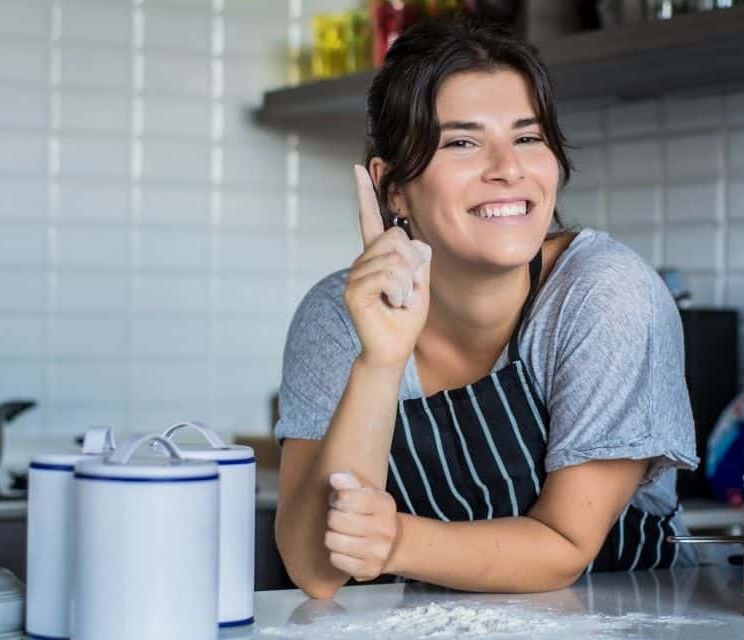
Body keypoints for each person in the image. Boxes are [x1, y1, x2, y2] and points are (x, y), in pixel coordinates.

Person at [273, 17, 698, 599]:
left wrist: (394, 542)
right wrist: (381, 359)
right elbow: (313, 568)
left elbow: (564, 547)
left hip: (618, 615)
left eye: (528, 137)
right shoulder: (339, 316)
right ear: (391, 186)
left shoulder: (605, 296)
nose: (507, 168)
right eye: (462, 142)